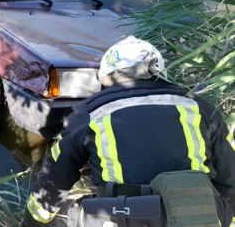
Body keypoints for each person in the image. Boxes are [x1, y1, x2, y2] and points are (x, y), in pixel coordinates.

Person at [21, 36, 235, 227]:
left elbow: (56, 174)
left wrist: (34, 221)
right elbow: (230, 173)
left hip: (123, 217)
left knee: (69, 212)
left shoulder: (91, 112)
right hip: (196, 217)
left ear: (106, 77)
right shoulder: (199, 107)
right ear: (158, 71)